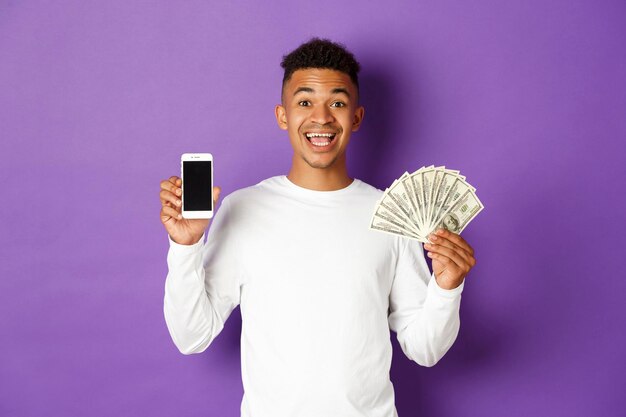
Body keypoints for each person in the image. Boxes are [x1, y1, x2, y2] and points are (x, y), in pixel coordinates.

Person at [159, 38, 476, 417]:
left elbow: (425, 349)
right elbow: (191, 336)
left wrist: (447, 288)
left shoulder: (391, 214)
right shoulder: (242, 209)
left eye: (337, 103)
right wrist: (185, 247)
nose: (322, 117)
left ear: (356, 118)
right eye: (305, 102)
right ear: (283, 115)